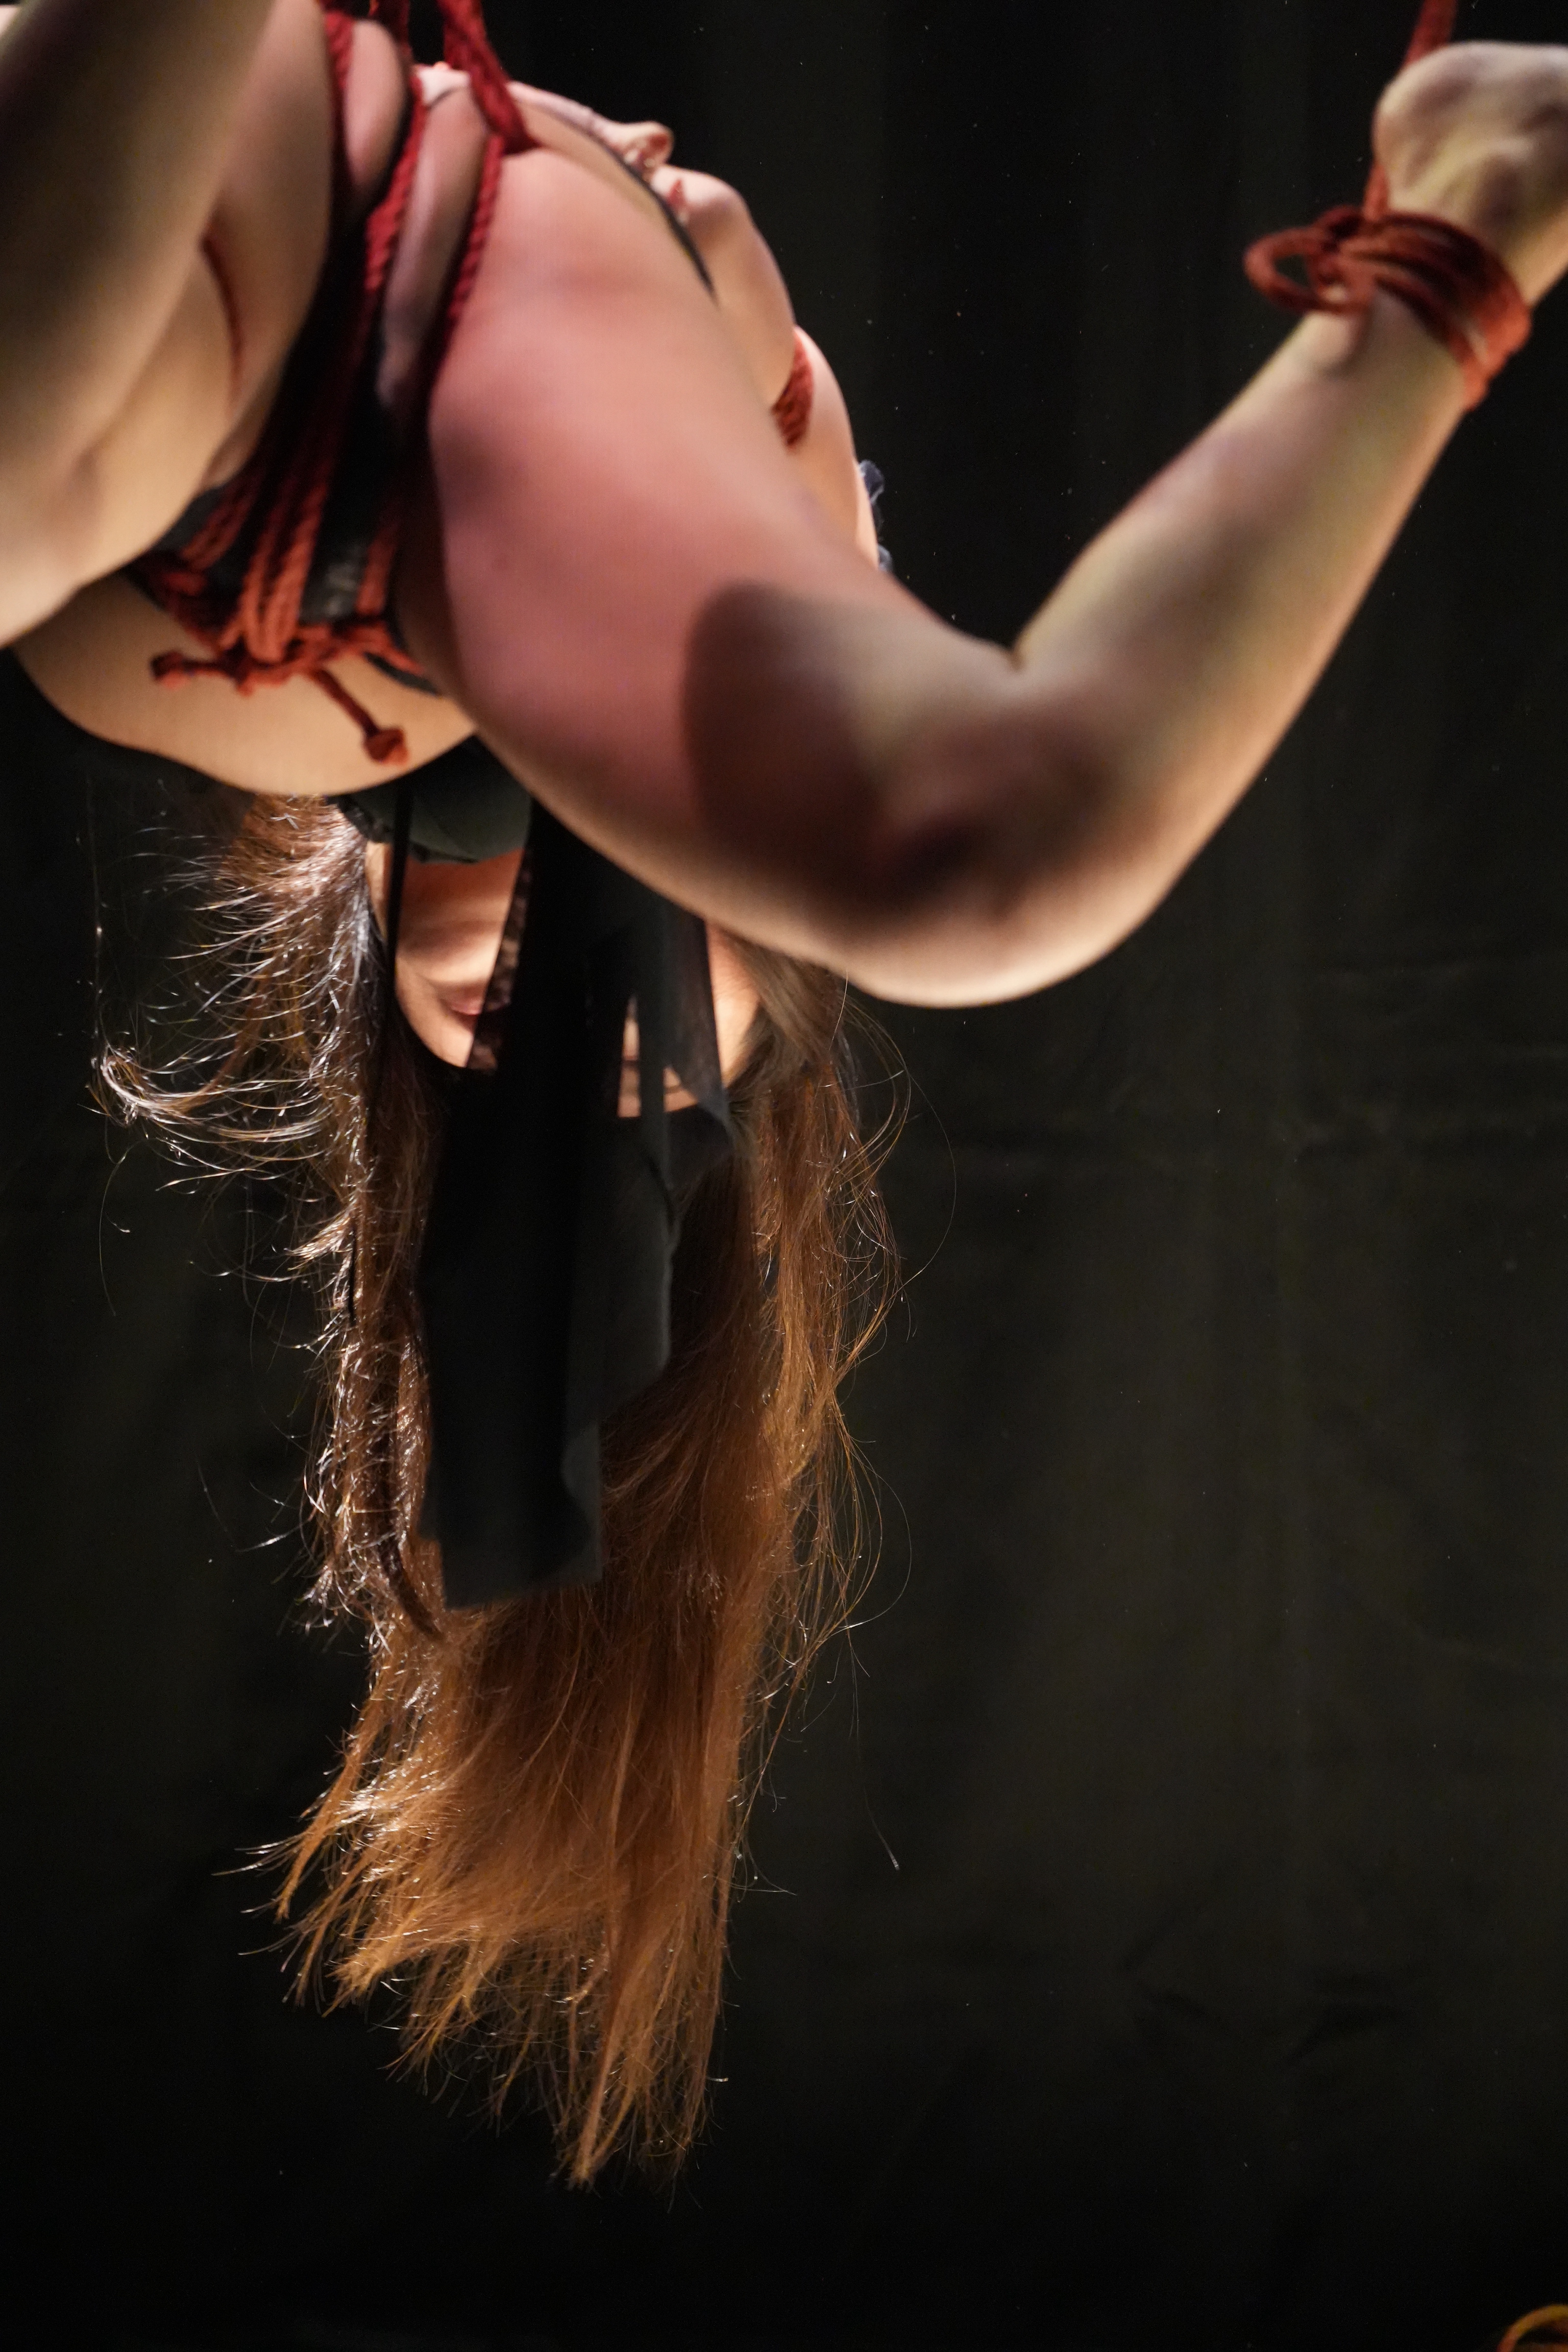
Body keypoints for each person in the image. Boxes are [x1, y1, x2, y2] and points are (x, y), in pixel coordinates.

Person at [4, 0, 1568, 2182]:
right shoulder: (629, 536)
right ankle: (1487, 199)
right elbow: (949, 792)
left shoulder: (262, 647)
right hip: (420, 311)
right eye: (658, 1040)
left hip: (239, 365)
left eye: (519, 1065)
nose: (562, 1017)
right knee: (985, 865)